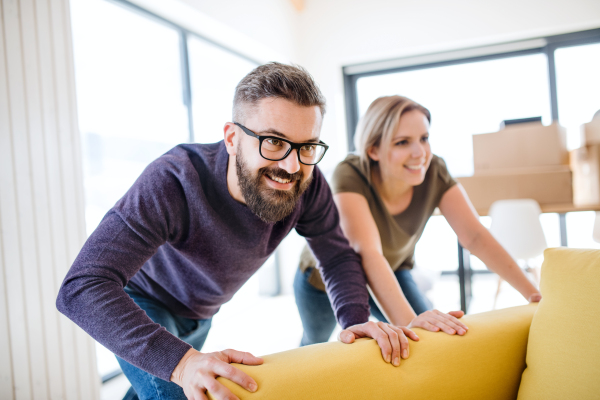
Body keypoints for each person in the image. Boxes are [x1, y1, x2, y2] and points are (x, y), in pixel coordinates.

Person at [56, 64, 420, 400]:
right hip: (143, 303)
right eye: (273, 142)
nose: (291, 166)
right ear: (231, 138)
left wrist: (356, 321)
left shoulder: (308, 183)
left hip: (201, 312)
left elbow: (337, 253)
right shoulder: (173, 181)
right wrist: (182, 363)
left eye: (306, 146)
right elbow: (82, 287)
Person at [294, 95, 542, 346]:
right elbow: (368, 253)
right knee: (315, 343)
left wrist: (534, 294)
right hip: (325, 279)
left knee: (425, 339)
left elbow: (475, 236)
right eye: (402, 142)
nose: (419, 153)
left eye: (424, 138)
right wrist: (409, 320)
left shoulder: (434, 169)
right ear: (373, 150)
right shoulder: (350, 173)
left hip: (392, 269)